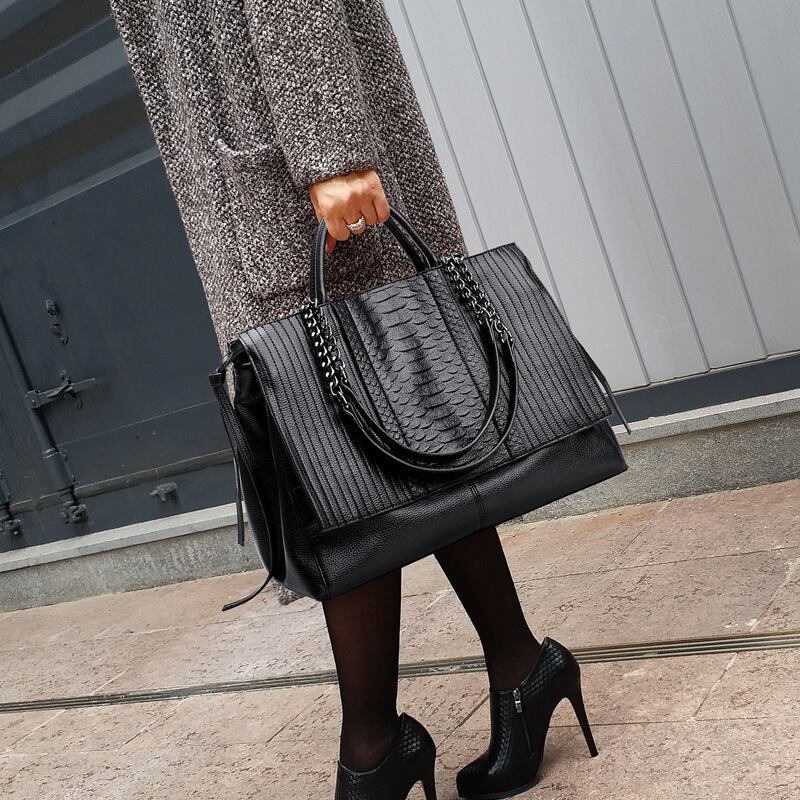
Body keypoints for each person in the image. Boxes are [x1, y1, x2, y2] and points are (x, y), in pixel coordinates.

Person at [110, 2, 596, 797]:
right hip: (254, 158)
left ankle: (376, 749)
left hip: (292, 159)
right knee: (398, 443)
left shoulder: (318, 150)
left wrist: (330, 147)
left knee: (340, 455)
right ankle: (517, 670)